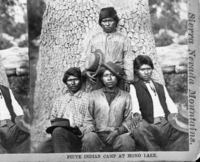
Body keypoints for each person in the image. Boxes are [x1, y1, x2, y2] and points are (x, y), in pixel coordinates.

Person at [130, 55, 188, 151]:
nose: (146, 72)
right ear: (136, 71)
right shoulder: (134, 87)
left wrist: (174, 116)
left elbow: (170, 104)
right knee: (138, 129)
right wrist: (136, 113)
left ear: (152, 69)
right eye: (142, 69)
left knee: (184, 130)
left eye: (149, 69)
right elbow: (134, 104)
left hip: (166, 123)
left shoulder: (160, 86)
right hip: (149, 123)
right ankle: (156, 153)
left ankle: (171, 151)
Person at [82, 62, 135, 152]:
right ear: (102, 79)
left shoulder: (125, 96)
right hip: (98, 135)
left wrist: (117, 131)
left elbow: (129, 120)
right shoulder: (94, 95)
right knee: (89, 138)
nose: (109, 78)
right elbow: (88, 118)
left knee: (127, 141)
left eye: (113, 75)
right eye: (106, 75)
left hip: (117, 135)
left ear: (117, 78)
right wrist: (90, 128)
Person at [36, 67, 89, 153]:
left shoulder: (87, 98)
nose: (73, 83)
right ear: (66, 82)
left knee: (58, 132)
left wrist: (80, 130)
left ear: (81, 81)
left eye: (76, 79)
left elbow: (91, 121)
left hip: (78, 136)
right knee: (40, 151)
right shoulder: (59, 100)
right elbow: (52, 118)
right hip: (58, 134)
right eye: (69, 80)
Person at [83, 7, 133, 92]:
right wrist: (86, 71)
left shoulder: (123, 39)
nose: (107, 24)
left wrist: (128, 80)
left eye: (110, 20)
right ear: (100, 23)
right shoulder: (94, 39)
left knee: (119, 101)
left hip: (117, 75)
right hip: (99, 76)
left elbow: (128, 60)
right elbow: (87, 57)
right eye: (104, 21)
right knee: (99, 101)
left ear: (116, 22)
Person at [0, 85, 30, 153]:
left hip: (10, 124)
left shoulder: (6, 90)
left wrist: (22, 121)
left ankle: (18, 155)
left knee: (26, 130)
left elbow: (17, 108)